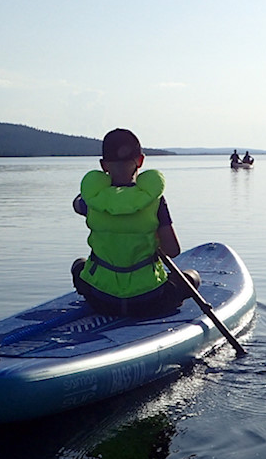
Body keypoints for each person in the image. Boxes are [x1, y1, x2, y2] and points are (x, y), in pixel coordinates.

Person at [71, 128, 201, 318]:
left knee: (79, 265)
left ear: (103, 165)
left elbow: (76, 205)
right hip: (149, 300)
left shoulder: (91, 202)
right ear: (140, 161)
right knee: (191, 277)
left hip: (102, 300)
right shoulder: (155, 202)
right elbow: (172, 250)